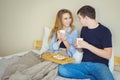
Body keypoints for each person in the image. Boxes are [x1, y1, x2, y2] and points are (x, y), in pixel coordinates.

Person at [58, 5, 114, 80]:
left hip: (100, 66)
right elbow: (82, 50)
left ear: (86, 18)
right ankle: (92, 77)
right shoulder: (84, 29)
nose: (79, 20)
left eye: (80, 18)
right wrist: (79, 47)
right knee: (61, 69)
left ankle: (91, 76)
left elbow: (108, 55)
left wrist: (87, 45)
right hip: (84, 64)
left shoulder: (105, 31)